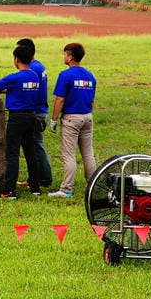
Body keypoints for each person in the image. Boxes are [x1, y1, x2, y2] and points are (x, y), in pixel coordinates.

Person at [0, 44, 48, 199]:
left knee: (12, 153)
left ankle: (9, 190)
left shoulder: (15, 77)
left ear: (16, 59)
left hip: (17, 118)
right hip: (31, 116)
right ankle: (35, 187)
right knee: (30, 153)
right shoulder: (34, 76)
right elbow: (11, 89)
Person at [49, 42, 97, 199]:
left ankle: (66, 189)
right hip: (87, 117)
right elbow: (91, 100)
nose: (64, 57)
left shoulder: (65, 75)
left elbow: (60, 100)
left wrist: (54, 119)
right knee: (88, 154)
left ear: (70, 57)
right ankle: (93, 186)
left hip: (71, 119)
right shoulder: (90, 76)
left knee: (69, 155)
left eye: (65, 54)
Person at [16, 37, 53, 187]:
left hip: (36, 111)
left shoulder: (33, 69)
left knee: (36, 146)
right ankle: (35, 178)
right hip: (40, 109)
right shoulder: (39, 66)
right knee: (34, 145)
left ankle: (44, 179)